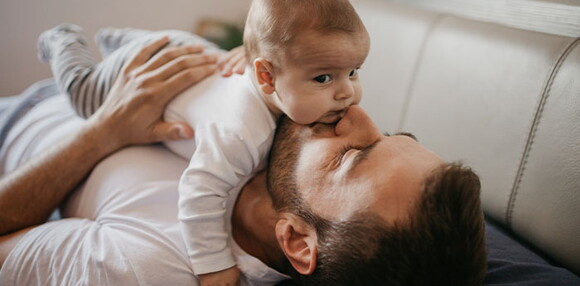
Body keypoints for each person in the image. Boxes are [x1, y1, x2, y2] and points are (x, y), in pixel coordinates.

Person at [0, 40, 487, 286]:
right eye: (394, 135)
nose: (356, 112)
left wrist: (104, 130)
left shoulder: (149, 266)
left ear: (296, 240)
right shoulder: (279, 133)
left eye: (354, 156)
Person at [37, 0, 371, 284]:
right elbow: (199, 194)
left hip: (187, 51)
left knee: (137, 44)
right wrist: (214, 264)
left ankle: (115, 39)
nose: (346, 93)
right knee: (84, 98)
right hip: (150, 66)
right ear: (266, 77)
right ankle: (64, 40)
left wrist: (249, 53)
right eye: (323, 78)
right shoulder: (238, 134)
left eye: (353, 71)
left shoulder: (286, 89)